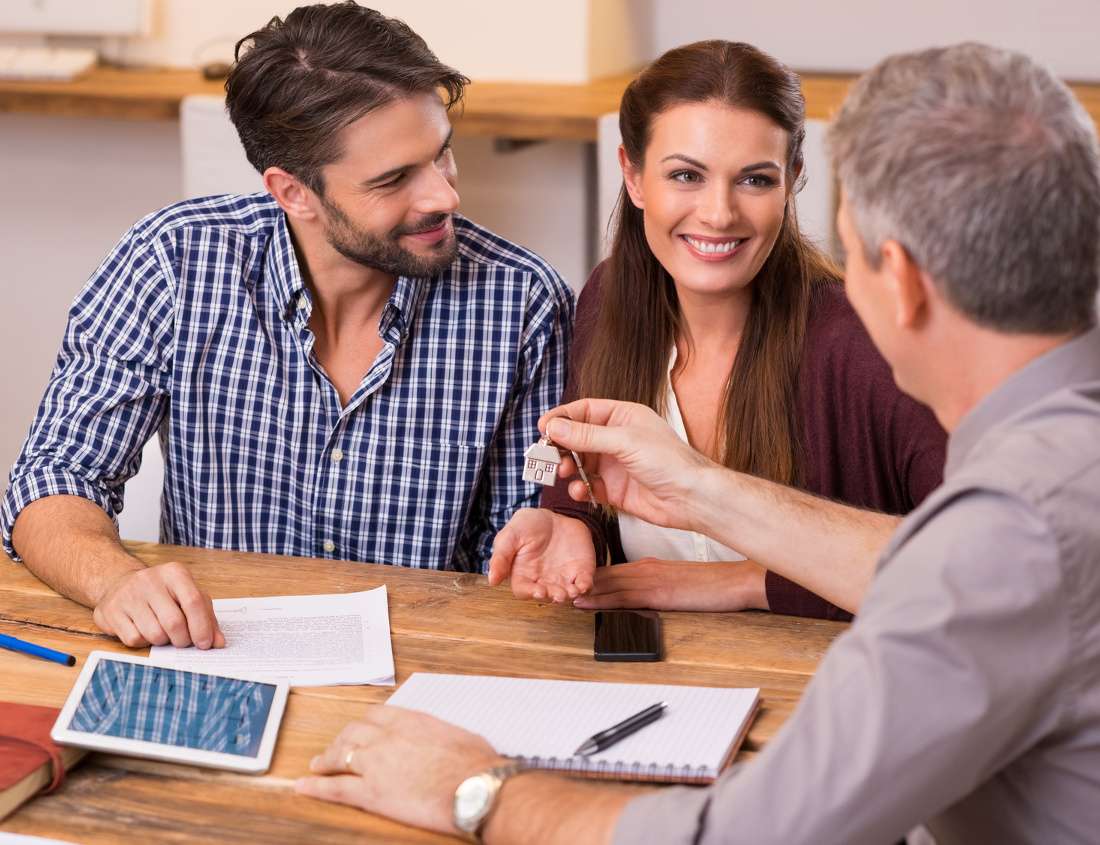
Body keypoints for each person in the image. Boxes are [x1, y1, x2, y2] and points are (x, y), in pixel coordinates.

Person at [296, 43, 1100, 844]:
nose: (719, 212)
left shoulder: (1016, 525)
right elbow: (940, 566)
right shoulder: (1045, 480)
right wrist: (666, 495)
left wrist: (475, 790)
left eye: (850, 254)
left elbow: (749, 833)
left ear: (902, 280)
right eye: (686, 174)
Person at [0, 3, 572, 651]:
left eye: (442, 155)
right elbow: (55, 476)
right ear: (293, 192)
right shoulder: (172, 261)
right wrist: (115, 582)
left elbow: (525, 548)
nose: (444, 196)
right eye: (394, 179)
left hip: (425, 672)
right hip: (213, 658)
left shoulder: (522, 302)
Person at [488, 41, 945, 621]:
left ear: (793, 181)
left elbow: (982, 571)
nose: (719, 214)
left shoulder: (866, 341)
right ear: (632, 175)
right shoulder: (607, 300)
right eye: (686, 175)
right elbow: (587, 488)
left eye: (755, 180)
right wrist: (569, 526)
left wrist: (742, 583)